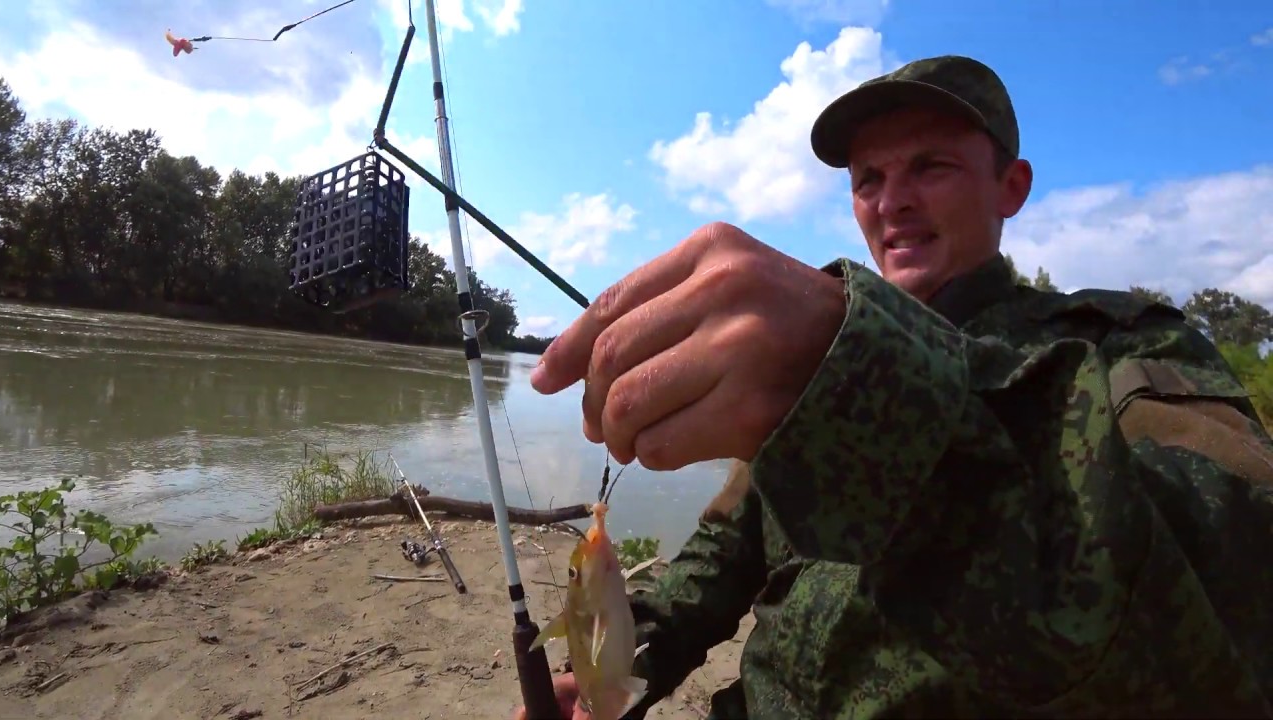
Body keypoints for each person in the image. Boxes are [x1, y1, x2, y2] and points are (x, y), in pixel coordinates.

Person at [512, 55, 1273, 719]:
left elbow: (1226, 597)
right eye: (868, 179)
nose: (892, 200)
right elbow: (722, 556)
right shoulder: (810, 372)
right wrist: (622, 656)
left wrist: (871, 387)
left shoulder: (1124, 347)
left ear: (1012, 186)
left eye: (930, 167)